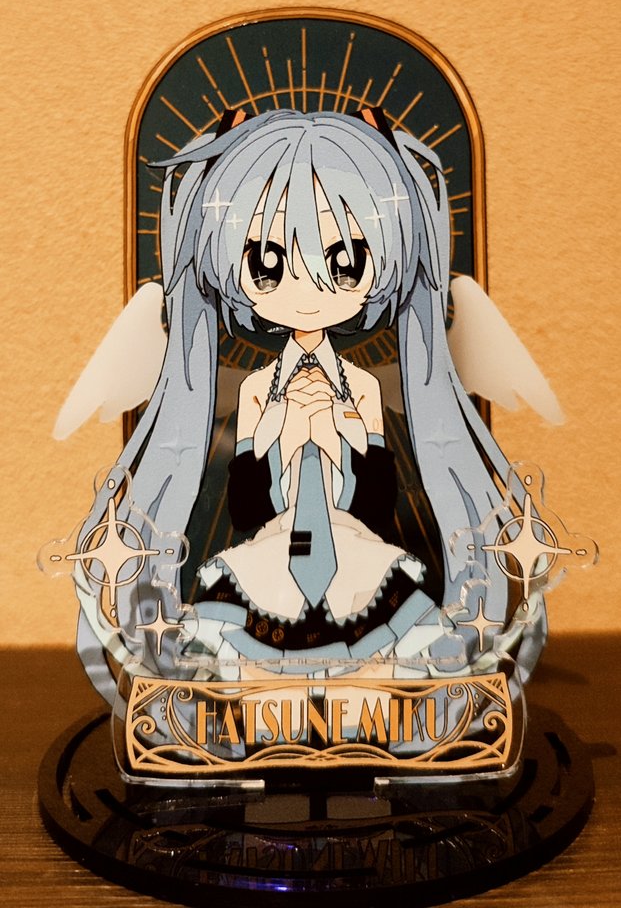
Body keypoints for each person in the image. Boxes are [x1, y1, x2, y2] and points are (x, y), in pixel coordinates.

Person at [71, 109, 545, 705]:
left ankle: (364, 718)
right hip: (272, 550)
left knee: (374, 661)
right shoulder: (255, 391)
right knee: (255, 669)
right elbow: (246, 509)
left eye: (344, 263)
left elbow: (377, 506)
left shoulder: (363, 388)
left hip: (354, 548)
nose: (309, 288)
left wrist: (348, 430)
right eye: (267, 264)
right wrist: (274, 431)